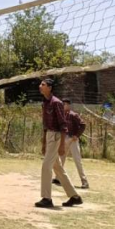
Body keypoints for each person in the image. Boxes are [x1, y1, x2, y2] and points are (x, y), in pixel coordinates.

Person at [35, 78, 83, 208]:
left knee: (46, 166)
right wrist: (44, 142)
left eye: (43, 84)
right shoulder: (45, 103)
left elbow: (63, 125)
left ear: (50, 88)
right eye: (40, 84)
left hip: (57, 136)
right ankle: (75, 197)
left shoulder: (56, 103)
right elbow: (45, 125)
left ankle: (46, 198)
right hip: (49, 136)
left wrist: (62, 144)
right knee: (58, 168)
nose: (40, 86)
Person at [52, 100, 89, 189]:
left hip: (72, 139)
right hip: (64, 139)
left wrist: (77, 135)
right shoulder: (62, 115)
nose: (62, 106)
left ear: (68, 105)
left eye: (64, 104)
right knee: (61, 159)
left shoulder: (73, 115)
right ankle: (58, 178)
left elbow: (83, 125)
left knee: (77, 160)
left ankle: (84, 181)